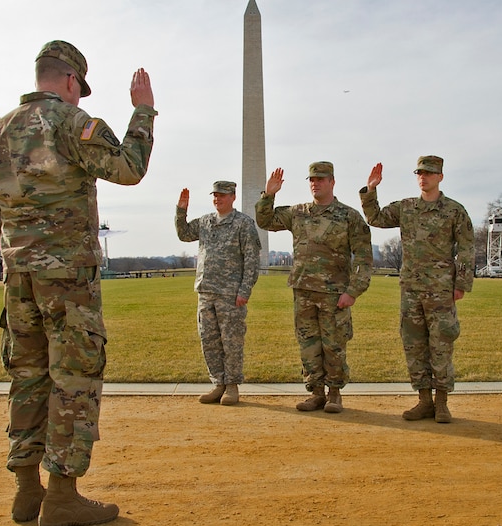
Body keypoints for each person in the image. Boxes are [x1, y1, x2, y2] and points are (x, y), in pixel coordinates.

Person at [0, 40, 157, 526]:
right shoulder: (75, 123)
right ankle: (61, 496)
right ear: (73, 81)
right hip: (68, 279)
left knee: (28, 375)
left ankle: (25, 490)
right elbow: (129, 168)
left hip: (19, 276)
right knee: (73, 378)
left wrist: (26, 243)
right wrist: (143, 111)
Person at [359, 157, 474, 423]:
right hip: (411, 290)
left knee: (441, 344)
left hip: (441, 290)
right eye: (420, 173)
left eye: (430, 173)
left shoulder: (454, 211)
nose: (424, 177)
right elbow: (375, 218)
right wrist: (371, 189)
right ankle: (424, 400)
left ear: (440, 177)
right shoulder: (407, 208)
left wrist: (462, 284)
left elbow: (467, 249)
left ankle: (442, 402)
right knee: (414, 345)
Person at [256, 162, 372, 413]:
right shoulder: (298, 212)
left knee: (334, 346)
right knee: (309, 346)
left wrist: (353, 291)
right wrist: (269, 195)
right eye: (311, 179)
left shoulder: (349, 216)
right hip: (304, 291)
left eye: (320, 179)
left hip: (334, 294)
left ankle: (334, 394)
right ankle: (316, 393)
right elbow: (265, 221)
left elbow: (363, 257)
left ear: (332, 181)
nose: (315, 183)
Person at [175, 181, 261, 405]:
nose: (217, 199)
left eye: (222, 195)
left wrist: (244, 290)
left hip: (230, 294)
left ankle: (232, 386)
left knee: (231, 342)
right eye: (215, 195)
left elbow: (252, 260)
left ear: (233, 197)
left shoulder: (243, 223)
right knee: (209, 341)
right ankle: (218, 384)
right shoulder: (206, 222)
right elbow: (184, 234)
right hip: (206, 292)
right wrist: (181, 211)